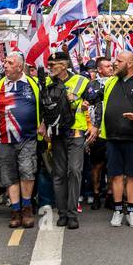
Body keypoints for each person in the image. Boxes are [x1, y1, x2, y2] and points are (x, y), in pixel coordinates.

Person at [0, 52, 43, 228]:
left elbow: (44, 108)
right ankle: (15, 209)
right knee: (8, 175)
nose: (5, 65)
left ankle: (27, 208)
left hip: (28, 137)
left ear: (20, 67)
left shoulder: (33, 84)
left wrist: (43, 124)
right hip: (4, 138)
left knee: (27, 172)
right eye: (5, 62)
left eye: (9, 63)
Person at [98, 51, 133, 227]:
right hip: (113, 137)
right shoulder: (111, 82)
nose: (115, 63)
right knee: (115, 175)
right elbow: (102, 103)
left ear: (129, 64)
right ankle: (117, 210)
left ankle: (130, 211)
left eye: (119, 61)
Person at [45, 51, 90, 229]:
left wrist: (93, 124)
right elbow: (43, 107)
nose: (49, 68)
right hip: (56, 134)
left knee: (74, 171)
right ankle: (62, 213)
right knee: (59, 174)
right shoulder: (48, 83)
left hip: (76, 133)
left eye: (52, 65)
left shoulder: (81, 81)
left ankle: (72, 213)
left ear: (63, 66)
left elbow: (95, 102)